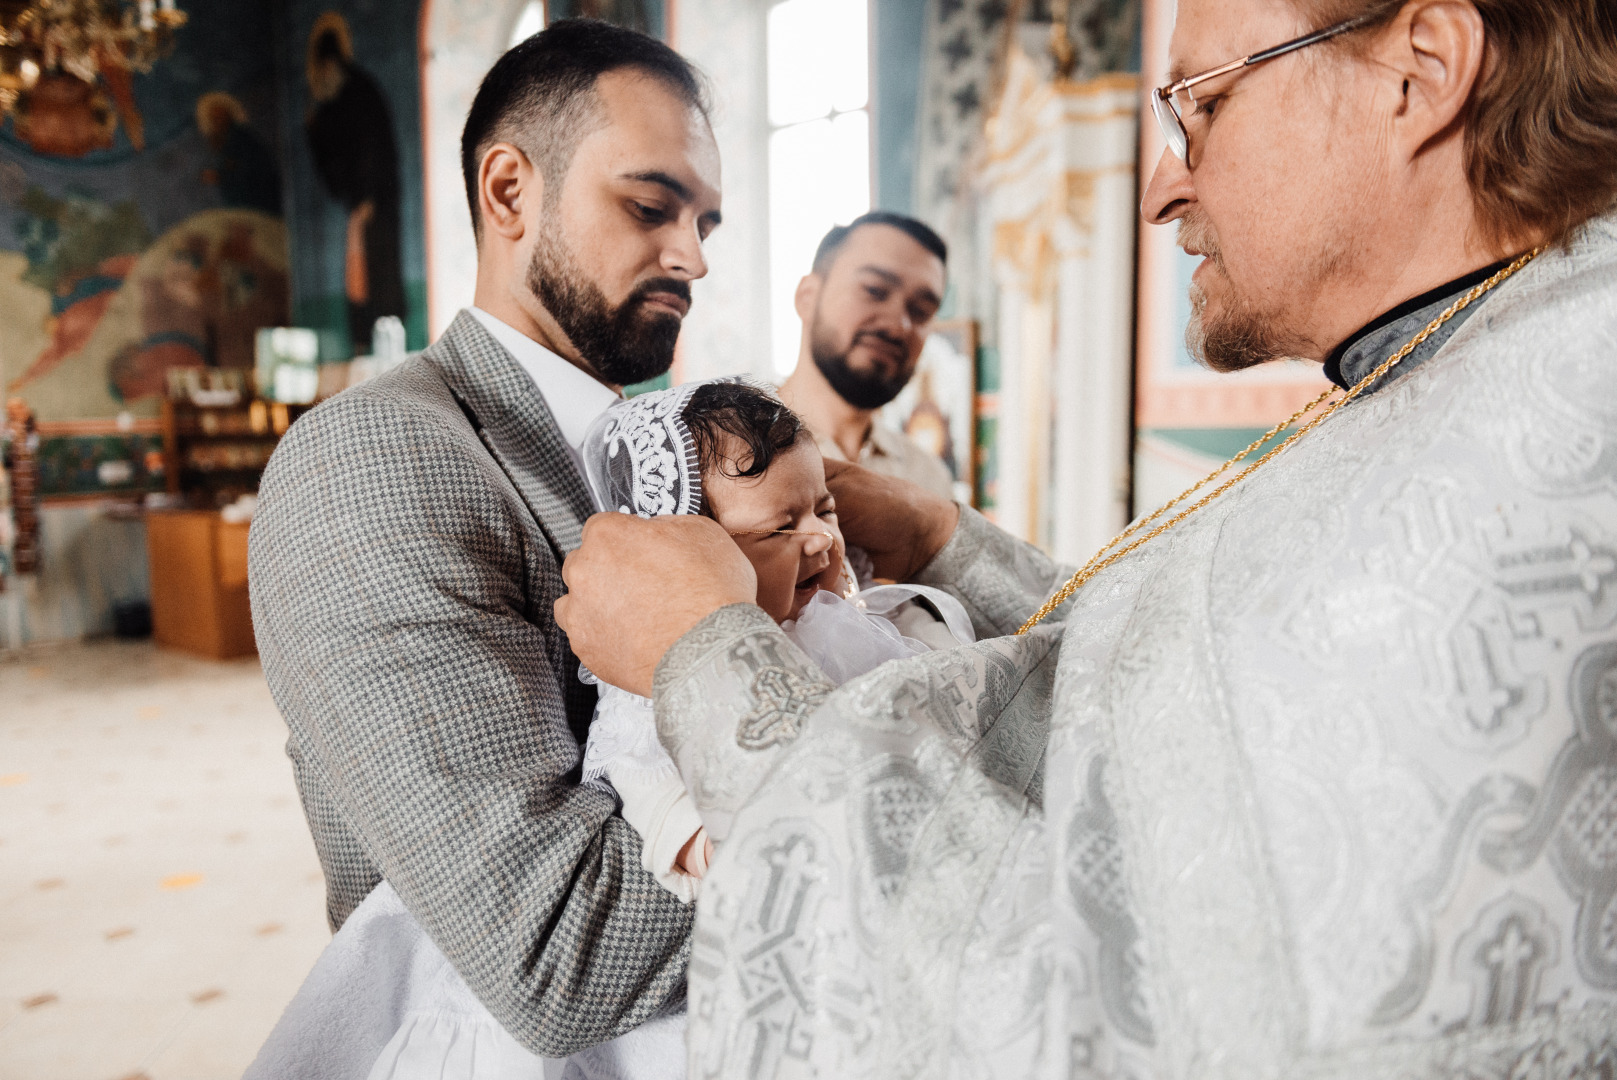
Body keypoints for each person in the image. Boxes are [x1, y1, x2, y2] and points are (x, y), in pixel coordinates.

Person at [555, 0, 1617, 1075]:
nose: (1161, 188)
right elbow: (1165, 689)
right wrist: (945, 542)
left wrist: (709, 658)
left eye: (1200, 107)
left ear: (1420, 69)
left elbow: (1090, 1010)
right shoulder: (1474, 368)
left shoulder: (1543, 452)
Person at [246, 379, 972, 1079]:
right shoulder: (650, 677)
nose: (819, 539)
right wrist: (718, 844)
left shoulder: (847, 624)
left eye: (826, 510)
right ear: (692, 547)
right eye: (780, 527)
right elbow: (645, 786)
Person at [249, 19, 721, 1067]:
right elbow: (559, 949)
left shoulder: (671, 448)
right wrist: (875, 795)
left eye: (704, 221)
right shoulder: (379, 457)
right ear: (508, 191)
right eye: (651, 207)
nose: (692, 255)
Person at [776, 212, 957, 500]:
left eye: (921, 311)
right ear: (807, 297)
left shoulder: (928, 481)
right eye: (874, 290)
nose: (898, 326)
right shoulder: (731, 448)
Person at [304, 14, 406, 354]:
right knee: (358, 272)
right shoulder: (334, 104)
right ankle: (362, 343)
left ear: (332, 63)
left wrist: (367, 197)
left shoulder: (361, 92)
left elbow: (373, 147)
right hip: (360, 203)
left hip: (376, 200)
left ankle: (382, 343)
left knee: (380, 270)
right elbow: (335, 162)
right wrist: (315, 133)